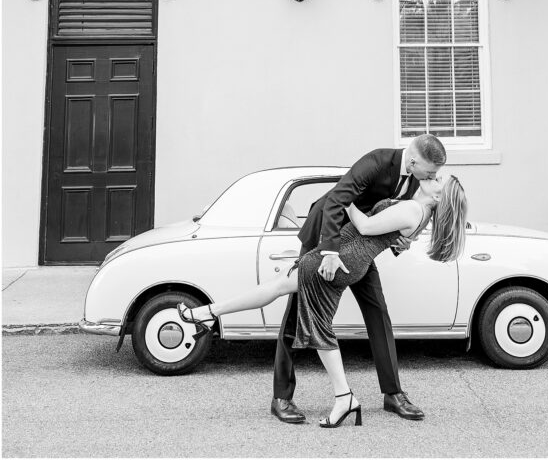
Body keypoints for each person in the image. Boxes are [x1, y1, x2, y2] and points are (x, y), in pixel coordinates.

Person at [178, 170, 468, 428]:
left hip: (338, 261)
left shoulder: (412, 209)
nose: (434, 176)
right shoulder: (417, 209)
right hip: (349, 261)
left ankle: (344, 397)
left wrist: (346, 193)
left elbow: (366, 226)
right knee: (283, 293)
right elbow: (387, 234)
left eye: (439, 179)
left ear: (440, 194)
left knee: (314, 325)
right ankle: (209, 312)